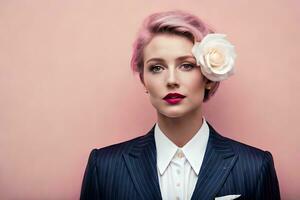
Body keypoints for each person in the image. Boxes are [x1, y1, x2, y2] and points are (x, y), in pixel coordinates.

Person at [80, 10, 280, 200]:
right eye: (157, 68)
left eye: (186, 65)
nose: (171, 80)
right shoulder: (104, 167)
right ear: (144, 81)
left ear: (209, 77)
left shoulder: (255, 167)